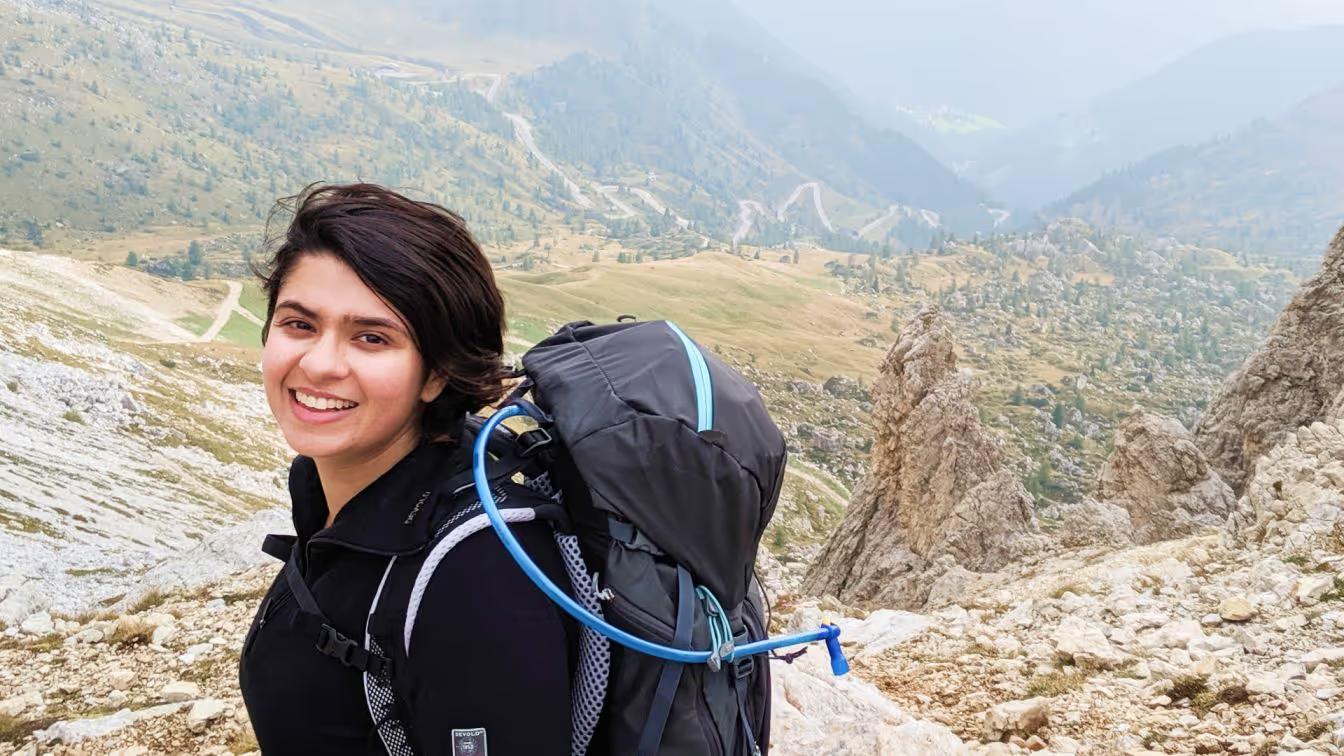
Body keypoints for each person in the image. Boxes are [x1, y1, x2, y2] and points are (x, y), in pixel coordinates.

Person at [238, 183, 577, 755]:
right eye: (299, 324)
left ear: (437, 373)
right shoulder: (336, 493)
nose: (319, 364)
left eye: (371, 338)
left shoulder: (478, 573)